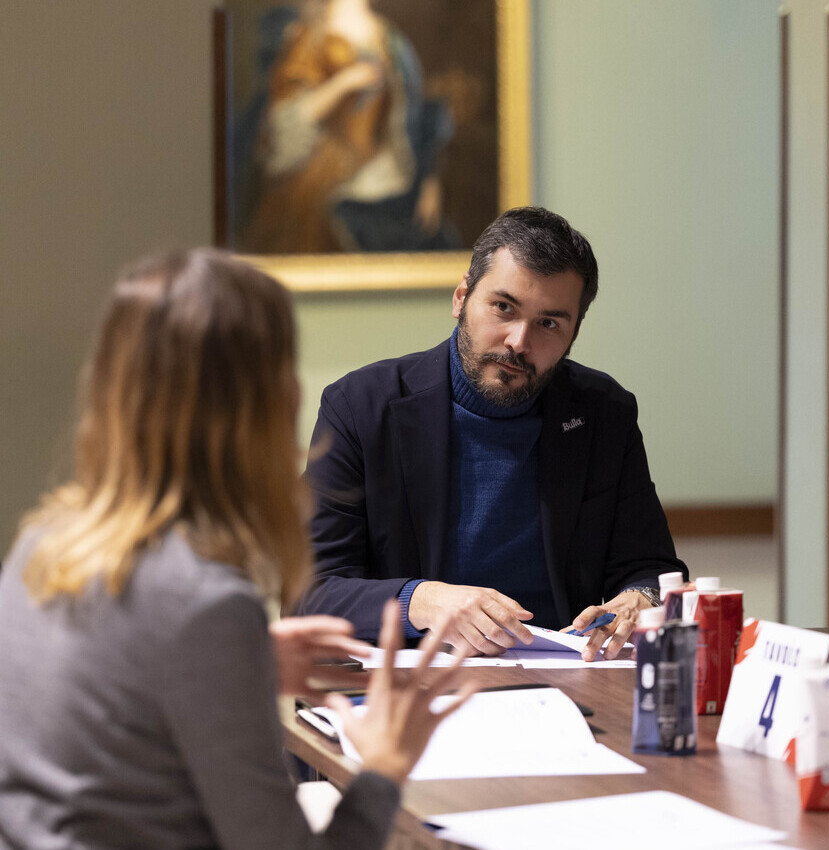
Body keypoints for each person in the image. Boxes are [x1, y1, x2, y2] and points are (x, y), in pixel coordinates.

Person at [0, 249, 474, 849]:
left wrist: (243, 661)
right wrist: (382, 770)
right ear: (266, 405)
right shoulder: (207, 604)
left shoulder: (41, 543)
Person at [298, 206, 688, 661]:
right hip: (411, 679)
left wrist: (641, 599)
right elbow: (309, 593)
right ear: (461, 297)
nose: (519, 341)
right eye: (503, 308)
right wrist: (421, 600)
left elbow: (651, 569)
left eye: (549, 323)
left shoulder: (604, 413)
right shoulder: (361, 407)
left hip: (566, 677)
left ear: (573, 335)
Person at [239, 0, 458, 254]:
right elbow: (288, 118)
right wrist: (344, 83)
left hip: (386, 176)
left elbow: (413, 118)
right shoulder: (311, 36)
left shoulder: (391, 40)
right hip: (324, 174)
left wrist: (428, 180)